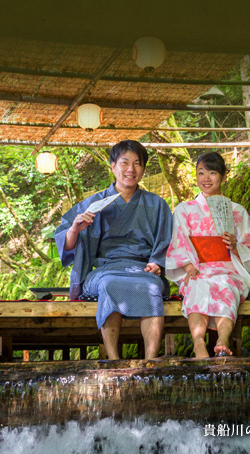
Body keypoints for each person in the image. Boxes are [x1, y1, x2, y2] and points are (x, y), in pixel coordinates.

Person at [55, 140, 172, 360]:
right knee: (109, 285)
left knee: (152, 287)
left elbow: (167, 241)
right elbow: (66, 242)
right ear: (112, 166)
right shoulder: (95, 203)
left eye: (137, 164)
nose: (131, 169)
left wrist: (157, 263)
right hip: (104, 271)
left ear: (144, 169)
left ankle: (150, 361)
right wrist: (74, 228)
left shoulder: (157, 205)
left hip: (142, 270)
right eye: (124, 162)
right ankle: (113, 359)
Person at [165, 152, 250, 358]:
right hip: (197, 269)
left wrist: (235, 246)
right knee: (197, 286)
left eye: (212, 173)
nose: (206, 178)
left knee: (226, 286)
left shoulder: (236, 210)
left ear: (224, 175)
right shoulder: (185, 209)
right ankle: (198, 343)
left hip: (227, 269)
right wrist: (188, 266)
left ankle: (222, 339)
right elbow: (179, 242)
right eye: (201, 173)